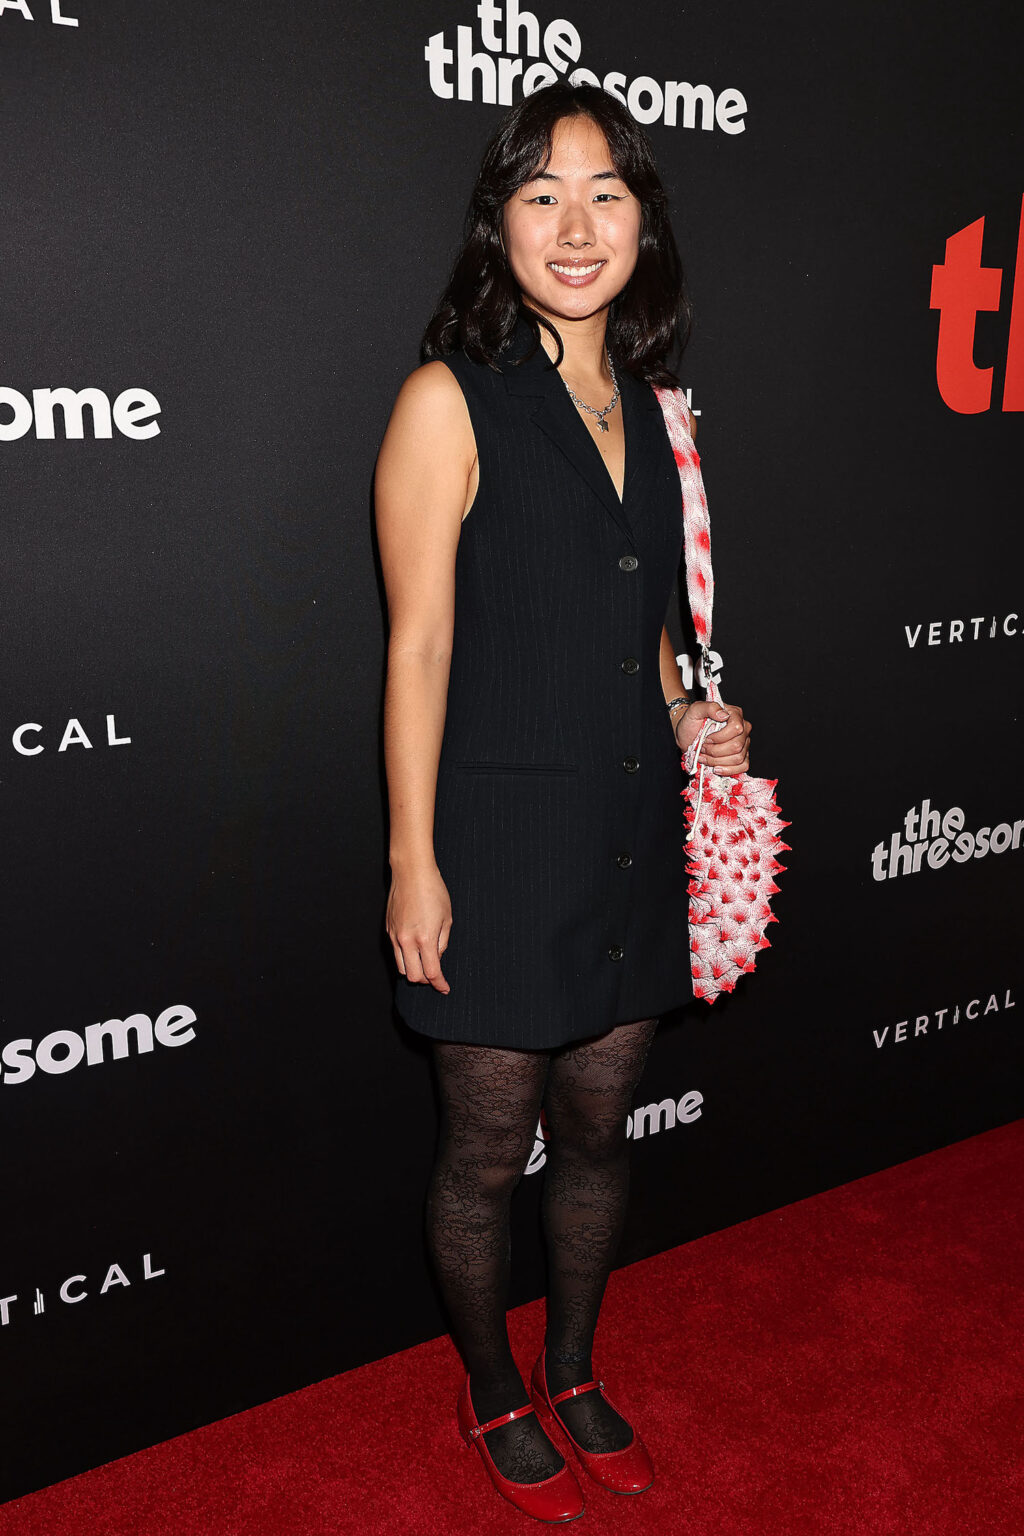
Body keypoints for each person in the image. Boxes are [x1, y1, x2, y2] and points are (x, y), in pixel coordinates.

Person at [375, 81, 751, 1523]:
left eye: (605, 192)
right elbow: (414, 649)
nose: (576, 223)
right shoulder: (447, 396)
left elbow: (649, 629)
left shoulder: (660, 411)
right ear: (501, 224)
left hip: (630, 832)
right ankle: (489, 1391)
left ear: (645, 221)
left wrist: (689, 717)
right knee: (484, 1153)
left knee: (598, 1132)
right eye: (543, 193)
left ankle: (577, 1369)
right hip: (494, 839)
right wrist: (414, 861)